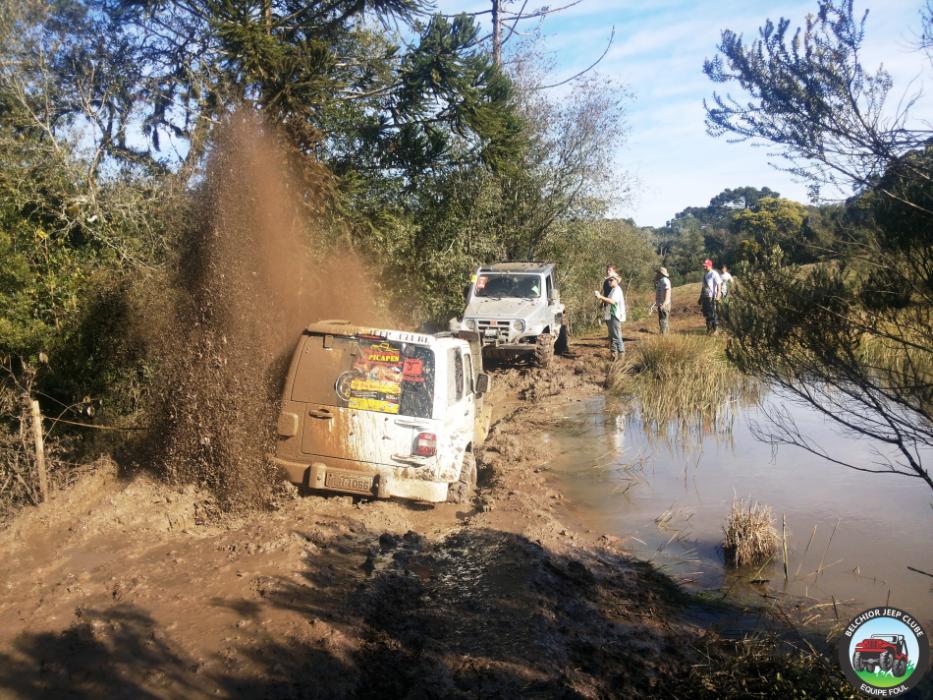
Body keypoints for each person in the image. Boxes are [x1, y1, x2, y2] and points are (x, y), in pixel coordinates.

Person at [594, 274, 625, 357]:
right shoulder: (613, 290)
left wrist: (600, 297)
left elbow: (612, 301)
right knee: (612, 336)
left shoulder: (617, 290)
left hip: (615, 315)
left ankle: (621, 356)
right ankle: (614, 355)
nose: (609, 281)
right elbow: (609, 301)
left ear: (616, 280)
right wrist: (602, 301)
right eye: (608, 280)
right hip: (611, 315)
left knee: (617, 336)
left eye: (611, 280)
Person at [698, 259, 722, 334]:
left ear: (709, 265)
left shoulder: (714, 273)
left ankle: (715, 330)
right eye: (704, 266)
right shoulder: (705, 275)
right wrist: (700, 298)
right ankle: (709, 329)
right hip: (705, 297)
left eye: (705, 266)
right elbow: (703, 287)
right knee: (706, 314)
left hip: (711, 297)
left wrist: (718, 295)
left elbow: (719, 284)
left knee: (713, 314)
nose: (704, 267)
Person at [655, 267, 672, 334]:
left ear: (661, 274)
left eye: (658, 273)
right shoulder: (660, 281)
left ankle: (664, 336)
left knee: (663, 321)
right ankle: (665, 336)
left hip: (664, 304)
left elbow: (667, 292)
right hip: (661, 304)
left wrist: (664, 304)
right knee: (662, 320)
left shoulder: (665, 281)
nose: (656, 274)